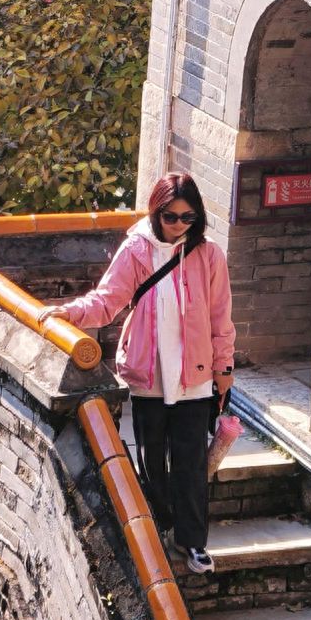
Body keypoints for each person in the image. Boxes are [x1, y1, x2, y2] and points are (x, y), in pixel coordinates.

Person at [52, 173, 235, 574]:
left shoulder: (209, 255)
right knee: (153, 461)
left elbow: (221, 318)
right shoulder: (136, 250)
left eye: (189, 218)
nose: (179, 225)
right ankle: (162, 527)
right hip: (149, 375)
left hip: (196, 377)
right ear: (156, 212)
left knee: (188, 462)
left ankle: (192, 542)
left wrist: (225, 367)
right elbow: (108, 301)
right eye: (171, 216)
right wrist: (71, 312)